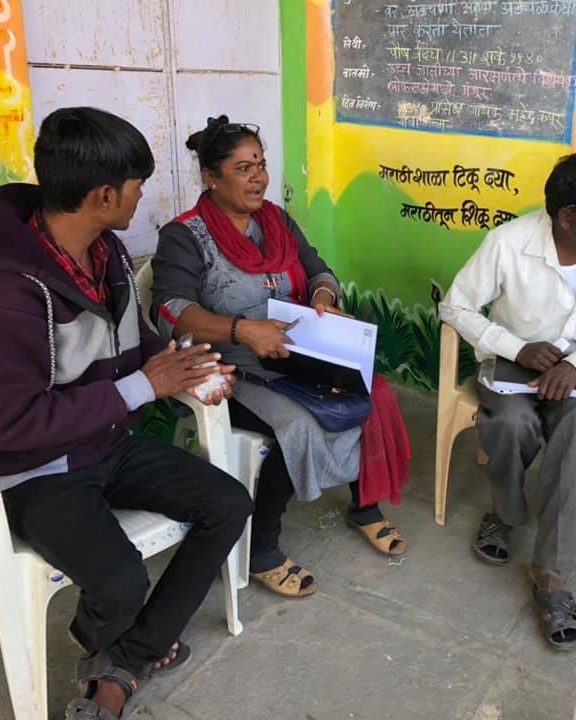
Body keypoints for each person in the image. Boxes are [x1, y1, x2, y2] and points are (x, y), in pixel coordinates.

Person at [0, 107, 254, 719]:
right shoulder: (0, 297)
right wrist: (143, 386)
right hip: (36, 472)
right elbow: (11, 426)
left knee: (228, 503)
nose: (143, 195)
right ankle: (122, 656)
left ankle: (123, 660)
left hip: (106, 444)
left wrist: (190, 365)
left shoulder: (104, 252)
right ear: (104, 194)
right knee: (120, 582)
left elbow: (136, 347)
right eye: (137, 185)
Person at [151, 117, 410, 599]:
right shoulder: (185, 236)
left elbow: (319, 272)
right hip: (232, 365)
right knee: (296, 428)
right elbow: (170, 309)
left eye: (262, 165)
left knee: (374, 393)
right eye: (244, 168)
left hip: (296, 352)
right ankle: (263, 548)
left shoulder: (276, 222)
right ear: (211, 177)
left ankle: (365, 503)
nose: (259, 178)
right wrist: (240, 330)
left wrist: (324, 299)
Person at [439, 152, 576, 651]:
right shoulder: (509, 243)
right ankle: (506, 514)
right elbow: (455, 304)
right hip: (516, 362)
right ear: (566, 216)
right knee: (512, 422)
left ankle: (551, 572)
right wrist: (517, 347)